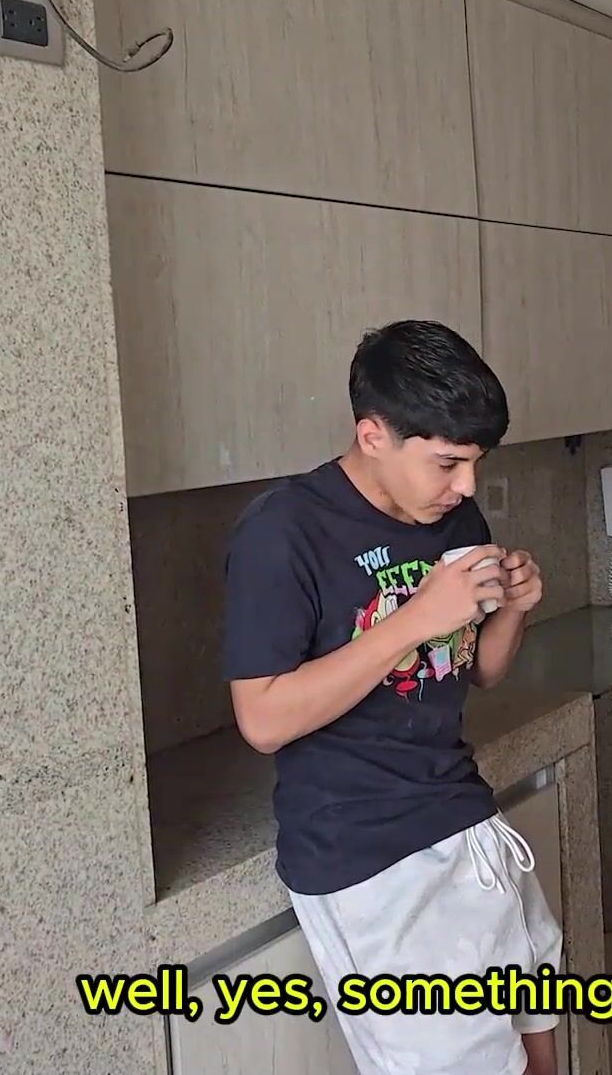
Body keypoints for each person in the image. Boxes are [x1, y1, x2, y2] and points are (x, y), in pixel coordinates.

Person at [221, 320, 560, 1075]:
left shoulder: (454, 518)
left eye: (474, 464)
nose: (466, 487)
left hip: (465, 819)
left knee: (538, 1035)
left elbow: (478, 670)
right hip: (366, 857)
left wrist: (513, 609)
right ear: (372, 435)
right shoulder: (282, 533)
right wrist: (414, 619)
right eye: (447, 463)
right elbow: (263, 719)